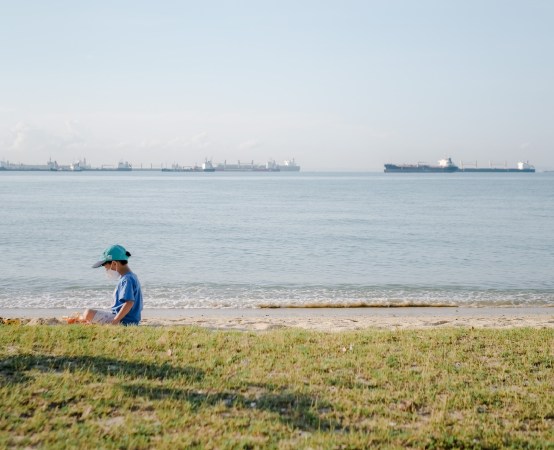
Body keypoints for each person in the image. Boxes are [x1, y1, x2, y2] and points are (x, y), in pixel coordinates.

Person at [82, 244, 143, 325]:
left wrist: (114, 321)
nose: (106, 270)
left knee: (88, 312)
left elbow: (129, 303)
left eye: (106, 267)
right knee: (87, 315)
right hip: (125, 318)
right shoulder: (131, 277)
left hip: (124, 321)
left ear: (114, 263)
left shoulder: (127, 279)